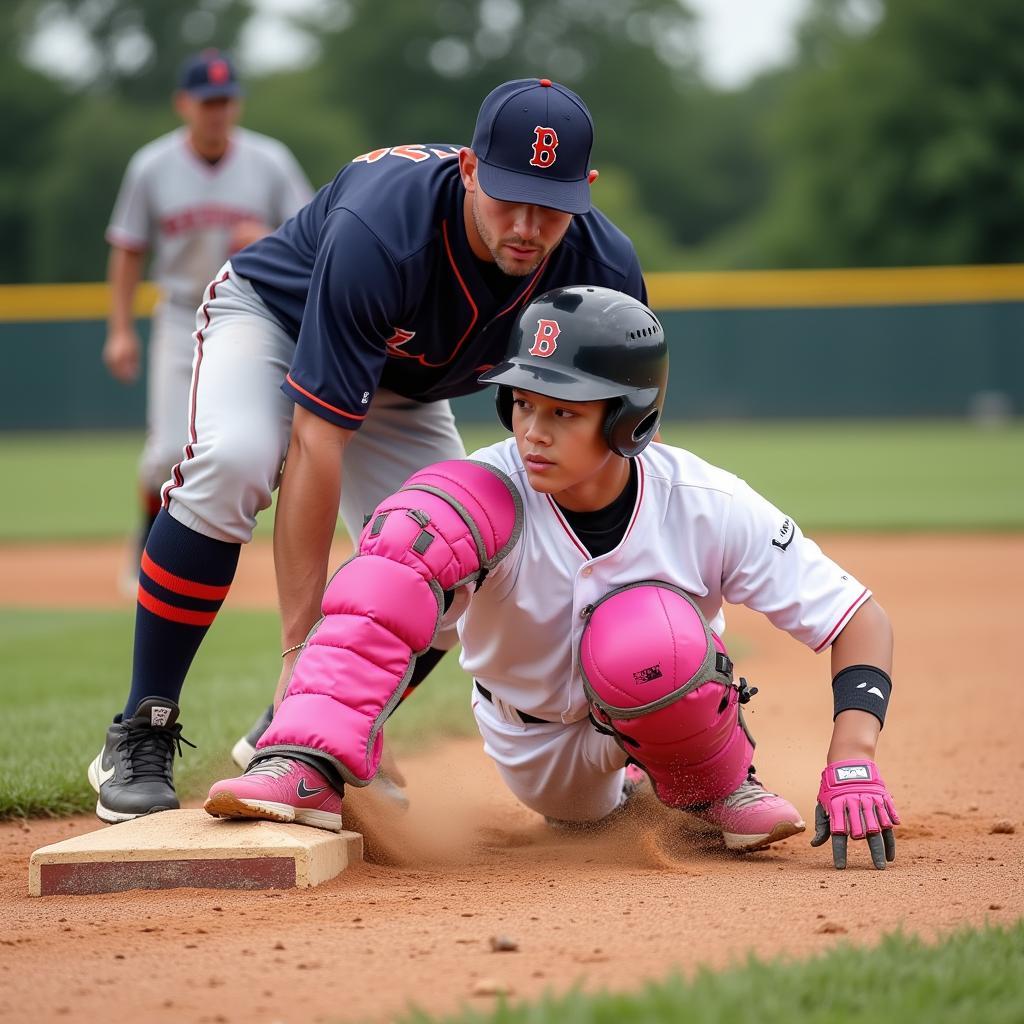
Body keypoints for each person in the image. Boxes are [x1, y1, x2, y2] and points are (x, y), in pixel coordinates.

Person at [88, 78, 648, 825]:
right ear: (470, 169)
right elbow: (317, 442)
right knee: (236, 460)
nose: (526, 224)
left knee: (454, 564)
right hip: (276, 319)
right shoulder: (385, 227)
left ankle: (317, 733)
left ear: (587, 192)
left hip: (404, 385)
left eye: (551, 205)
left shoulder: (601, 267)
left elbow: (622, 457)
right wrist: (298, 658)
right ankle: (140, 728)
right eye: (509, 195)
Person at [205, 286, 900, 870]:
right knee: (413, 531)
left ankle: (708, 790)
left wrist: (854, 755)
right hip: (539, 748)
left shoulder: (704, 503)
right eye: (524, 402)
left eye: (564, 412)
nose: (533, 431)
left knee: (648, 635)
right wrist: (315, 741)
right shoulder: (487, 490)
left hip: (672, 704)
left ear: (631, 423)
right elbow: (378, 612)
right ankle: (302, 761)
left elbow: (857, 618)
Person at [103, 49, 313, 584]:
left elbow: (318, 235)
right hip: (180, 314)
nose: (216, 112)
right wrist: (121, 329)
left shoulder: (270, 161)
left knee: (264, 445)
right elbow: (128, 249)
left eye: (225, 101)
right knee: (167, 452)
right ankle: (148, 540)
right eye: (206, 102)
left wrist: (266, 238)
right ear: (184, 105)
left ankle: (215, 550)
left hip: (257, 314)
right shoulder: (152, 166)